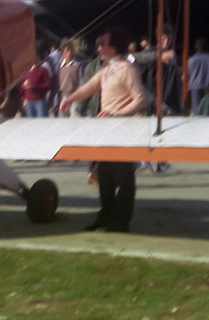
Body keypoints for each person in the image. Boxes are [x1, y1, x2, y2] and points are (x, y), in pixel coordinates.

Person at [60, 29, 149, 233]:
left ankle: (120, 221)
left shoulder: (128, 69)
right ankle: (106, 216)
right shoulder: (107, 69)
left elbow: (141, 99)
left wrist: (117, 114)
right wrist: (70, 99)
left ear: (114, 47)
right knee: (105, 176)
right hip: (107, 130)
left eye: (103, 44)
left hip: (122, 129)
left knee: (124, 177)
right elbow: (89, 87)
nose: (99, 47)